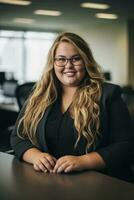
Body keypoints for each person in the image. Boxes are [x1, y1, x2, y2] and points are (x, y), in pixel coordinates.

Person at [11, 32, 133, 181]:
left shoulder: (108, 94)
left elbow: (126, 145)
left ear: (86, 61)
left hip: (97, 182)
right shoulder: (39, 95)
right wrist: (35, 156)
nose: (68, 65)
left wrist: (84, 161)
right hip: (46, 180)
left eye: (76, 59)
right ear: (53, 63)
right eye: (61, 59)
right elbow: (18, 136)